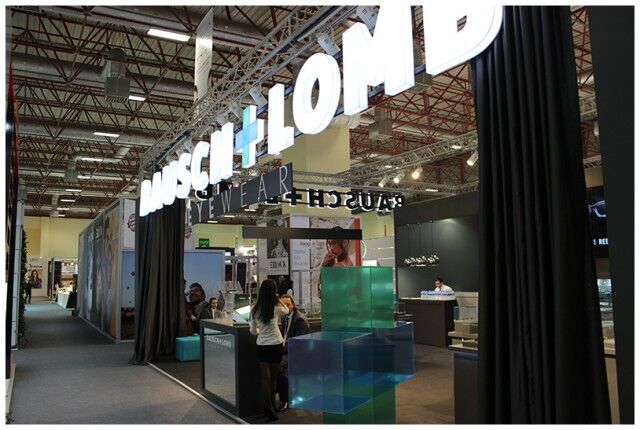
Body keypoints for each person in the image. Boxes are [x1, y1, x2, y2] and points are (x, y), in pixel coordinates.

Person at [249, 279, 290, 421]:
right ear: (274, 292)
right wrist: (279, 301)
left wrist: (260, 330)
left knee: (265, 378)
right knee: (273, 378)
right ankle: (272, 404)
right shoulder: (276, 307)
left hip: (262, 345)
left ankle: (268, 407)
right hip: (276, 344)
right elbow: (287, 310)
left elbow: (253, 331)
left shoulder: (254, 309)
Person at [276, 294, 309, 412]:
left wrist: (282, 350)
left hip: (298, 352)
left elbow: (297, 343)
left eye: (288, 304)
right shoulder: (285, 317)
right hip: (287, 349)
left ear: (293, 305)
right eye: (283, 304)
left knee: (280, 367)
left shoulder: (300, 320)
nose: (286, 307)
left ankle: (284, 400)